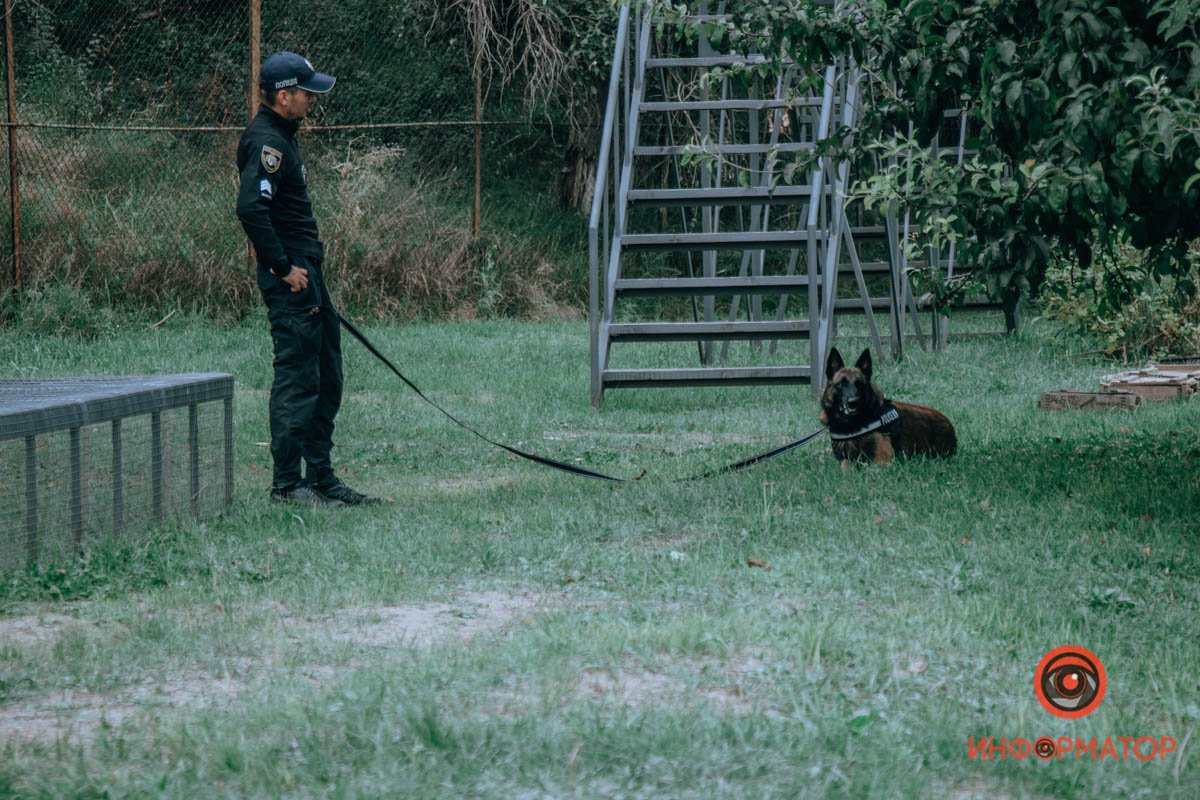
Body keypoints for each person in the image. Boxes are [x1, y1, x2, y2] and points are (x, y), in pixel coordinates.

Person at [236, 51, 380, 507]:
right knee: (298, 379)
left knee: (326, 376)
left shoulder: (282, 135)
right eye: (305, 94)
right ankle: (287, 485)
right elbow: (250, 209)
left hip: (309, 276)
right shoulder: (267, 142)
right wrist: (281, 267)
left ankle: (321, 478)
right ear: (284, 96)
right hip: (292, 277)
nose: (310, 101)